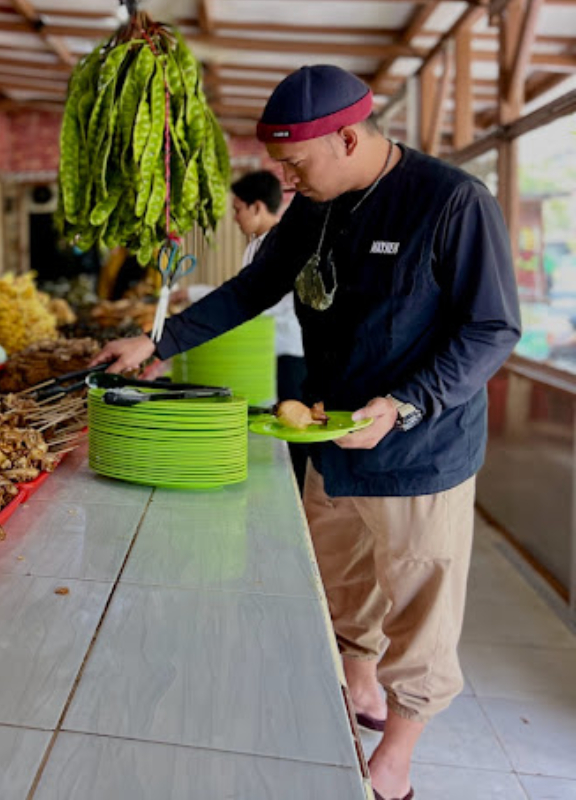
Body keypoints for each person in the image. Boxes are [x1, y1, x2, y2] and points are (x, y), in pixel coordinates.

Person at [92, 65, 521, 800]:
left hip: (419, 451)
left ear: (347, 138)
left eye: (293, 163)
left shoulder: (452, 201)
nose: (284, 180)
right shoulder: (316, 208)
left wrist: (405, 403)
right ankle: (359, 688)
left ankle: (397, 759)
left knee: (419, 605)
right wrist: (159, 342)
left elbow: (492, 328)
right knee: (342, 581)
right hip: (329, 438)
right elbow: (254, 286)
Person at [231, 170, 309, 490]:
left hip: (290, 352)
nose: (235, 217)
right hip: (268, 351)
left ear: (257, 207)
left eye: (238, 209)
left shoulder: (285, 245)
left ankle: (298, 498)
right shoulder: (256, 246)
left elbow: (257, 303)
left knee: (295, 431)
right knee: (278, 425)